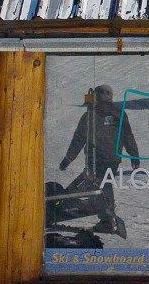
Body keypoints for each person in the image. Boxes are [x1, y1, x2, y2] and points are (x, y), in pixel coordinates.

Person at [59, 85, 141, 237]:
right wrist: (134, 156)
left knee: (97, 184)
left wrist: (68, 159)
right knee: (100, 184)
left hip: (97, 159)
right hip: (111, 159)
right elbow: (128, 136)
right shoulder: (117, 114)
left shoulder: (91, 115)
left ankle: (105, 219)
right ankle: (100, 215)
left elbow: (78, 139)